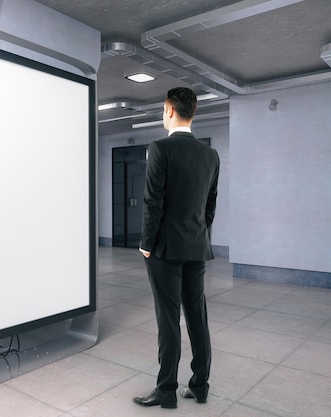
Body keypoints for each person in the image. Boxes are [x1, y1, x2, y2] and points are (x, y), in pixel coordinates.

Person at [133, 87, 220, 409]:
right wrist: (201, 235)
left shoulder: (160, 148)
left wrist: (145, 243)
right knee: (197, 317)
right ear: (193, 112)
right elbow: (210, 205)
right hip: (197, 246)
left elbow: (152, 201)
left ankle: (166, 390)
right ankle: (200, 386)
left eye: (162, 109)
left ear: (170, 110)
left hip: (165, 250)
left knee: (168, 319)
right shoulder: (210, 155)